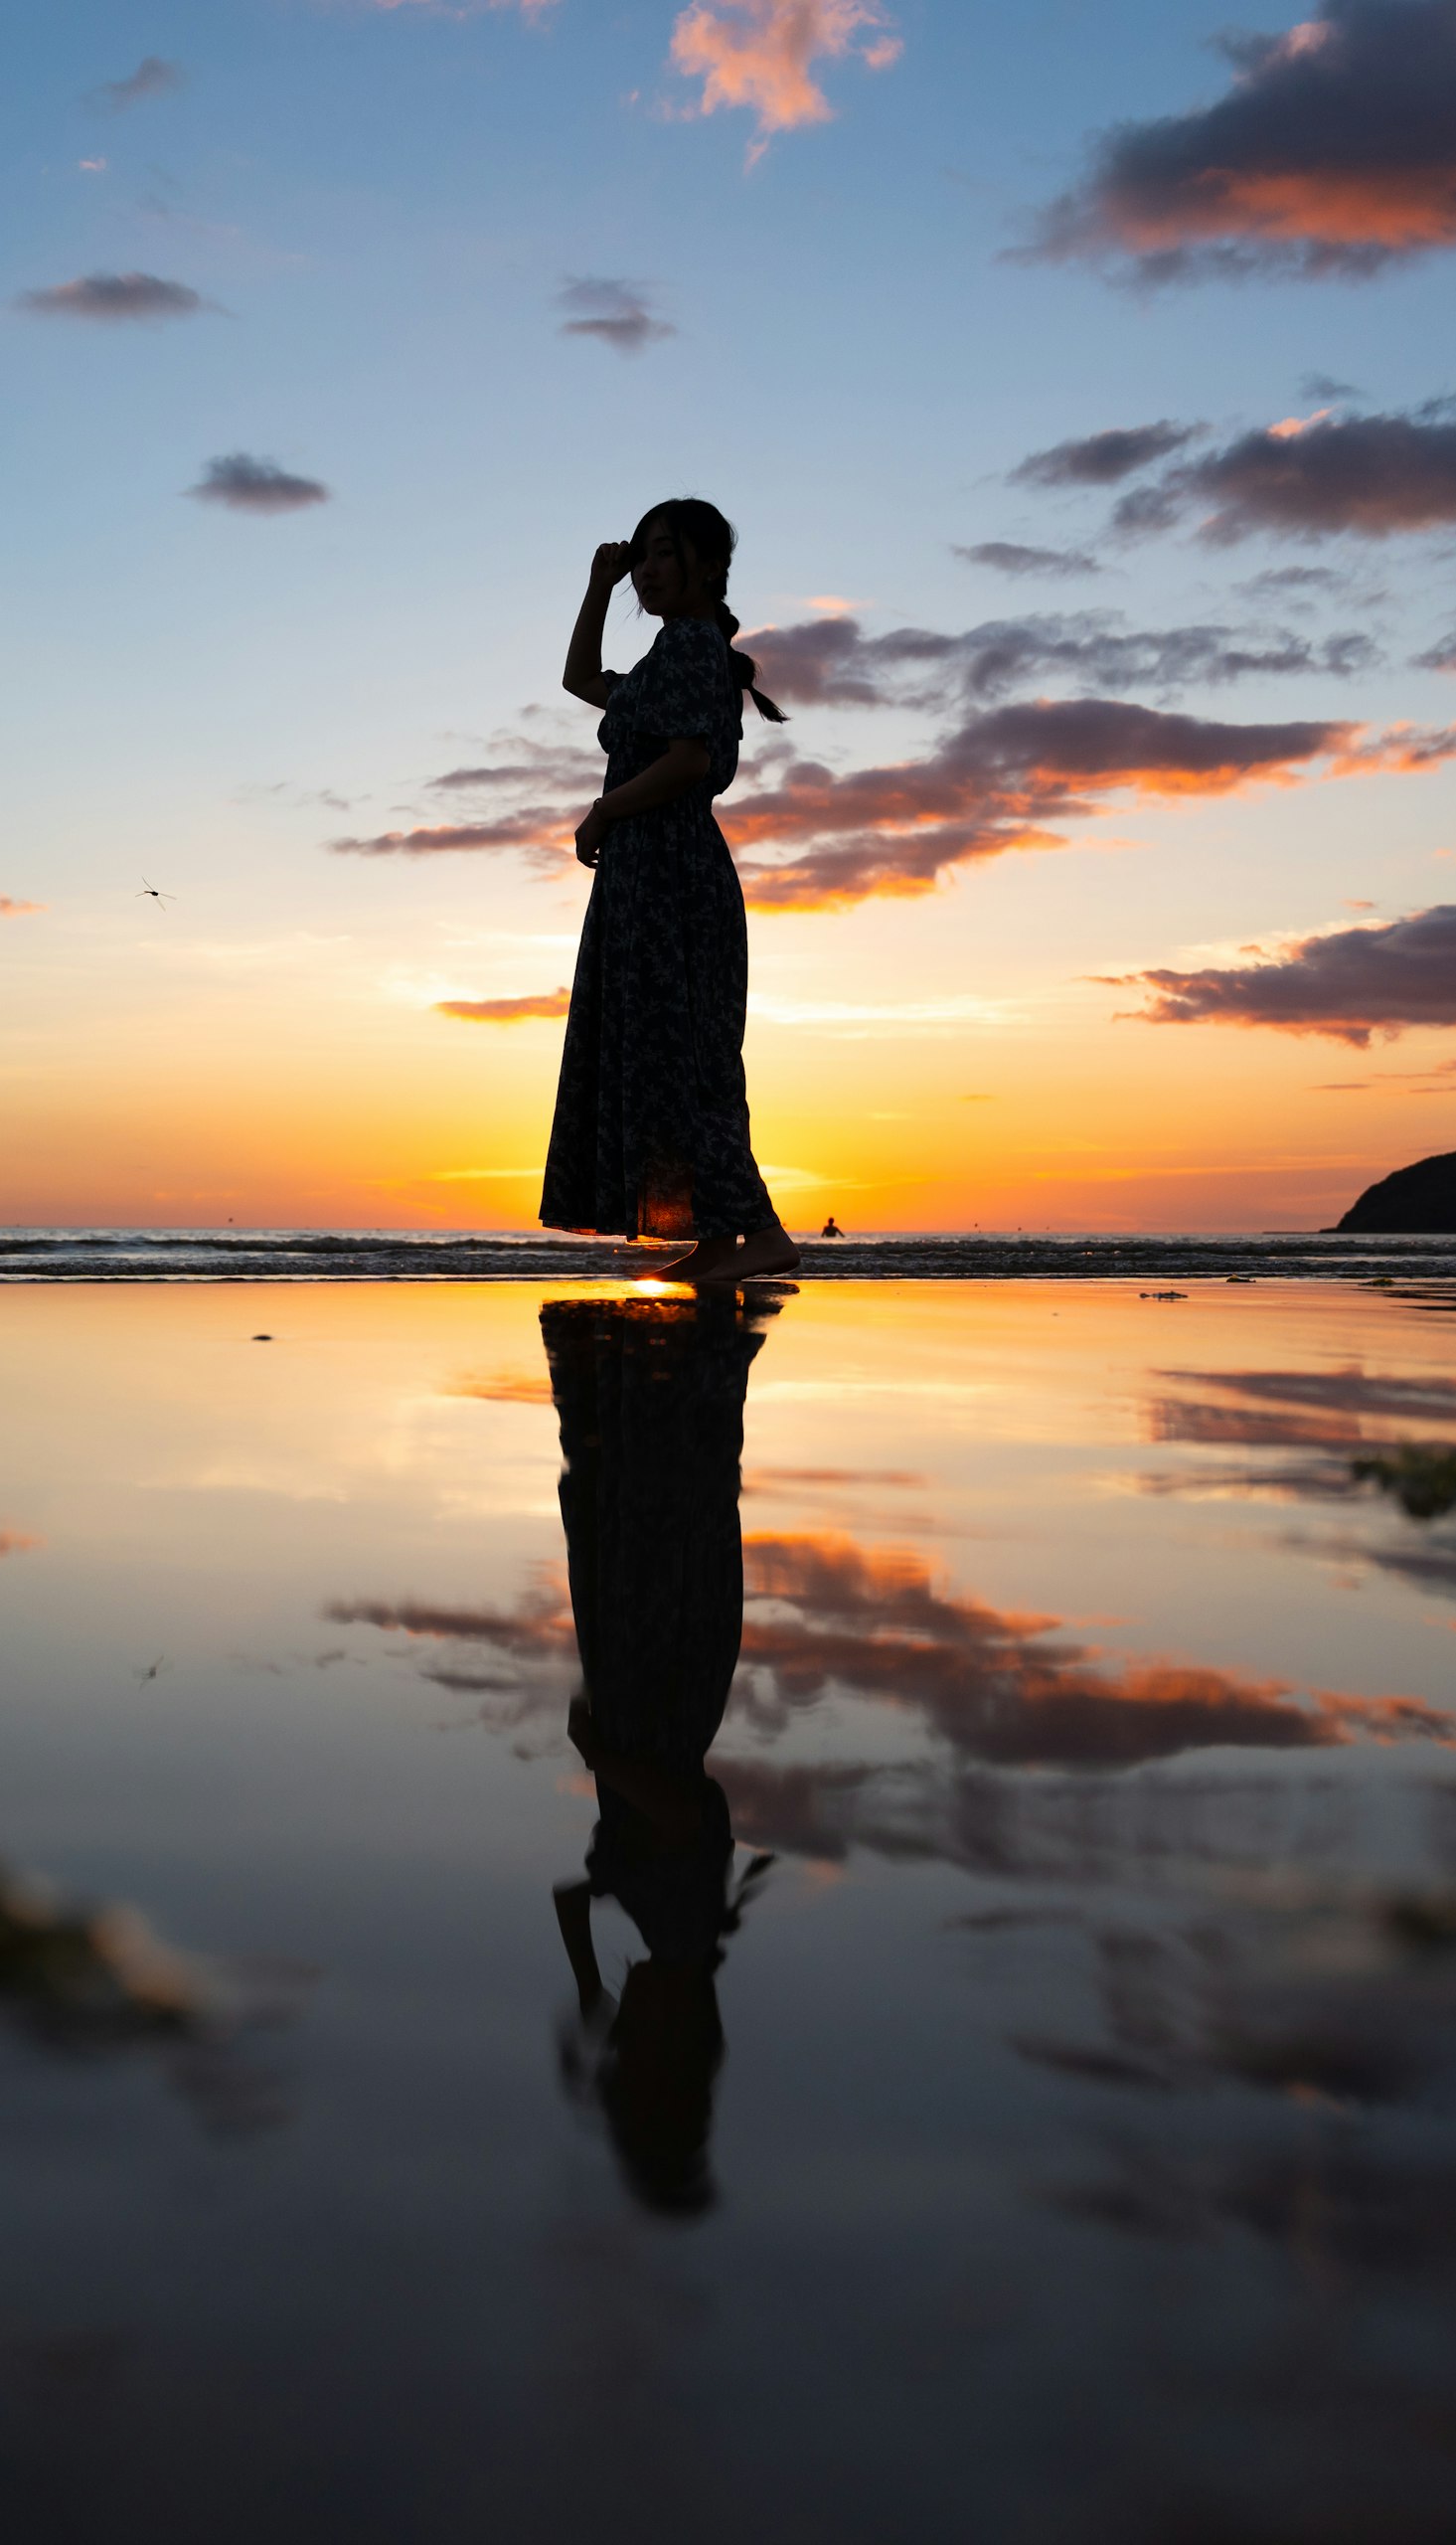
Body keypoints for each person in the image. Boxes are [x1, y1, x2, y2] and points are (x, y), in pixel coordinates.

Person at [541, 1292, 775, 2216]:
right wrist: (600, 1756)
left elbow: (570, 1895)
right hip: (661, 1686)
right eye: (636, 2041)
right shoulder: (683, 1934)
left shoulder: (676, 1936)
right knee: (653, 1516)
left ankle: (672, 1346)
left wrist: (594, 1983)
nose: (627, 2027)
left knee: (632, 1511)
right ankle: (686, 1340)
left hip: (649, 1685)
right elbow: (682, 1813)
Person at [541, 499, 800, 1287]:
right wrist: (598, 584)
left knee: (682, 1058)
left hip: (671, 876)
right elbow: (579, 678)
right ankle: (721, 1238)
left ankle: (760, 1230)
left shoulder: (691, 648)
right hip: (649, 876)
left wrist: (604, 809)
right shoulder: (669, 657)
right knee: (672, 1058)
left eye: (663, 554)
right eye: (643, 557)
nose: (646, 570)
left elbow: (689, 762)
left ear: (709, 568)